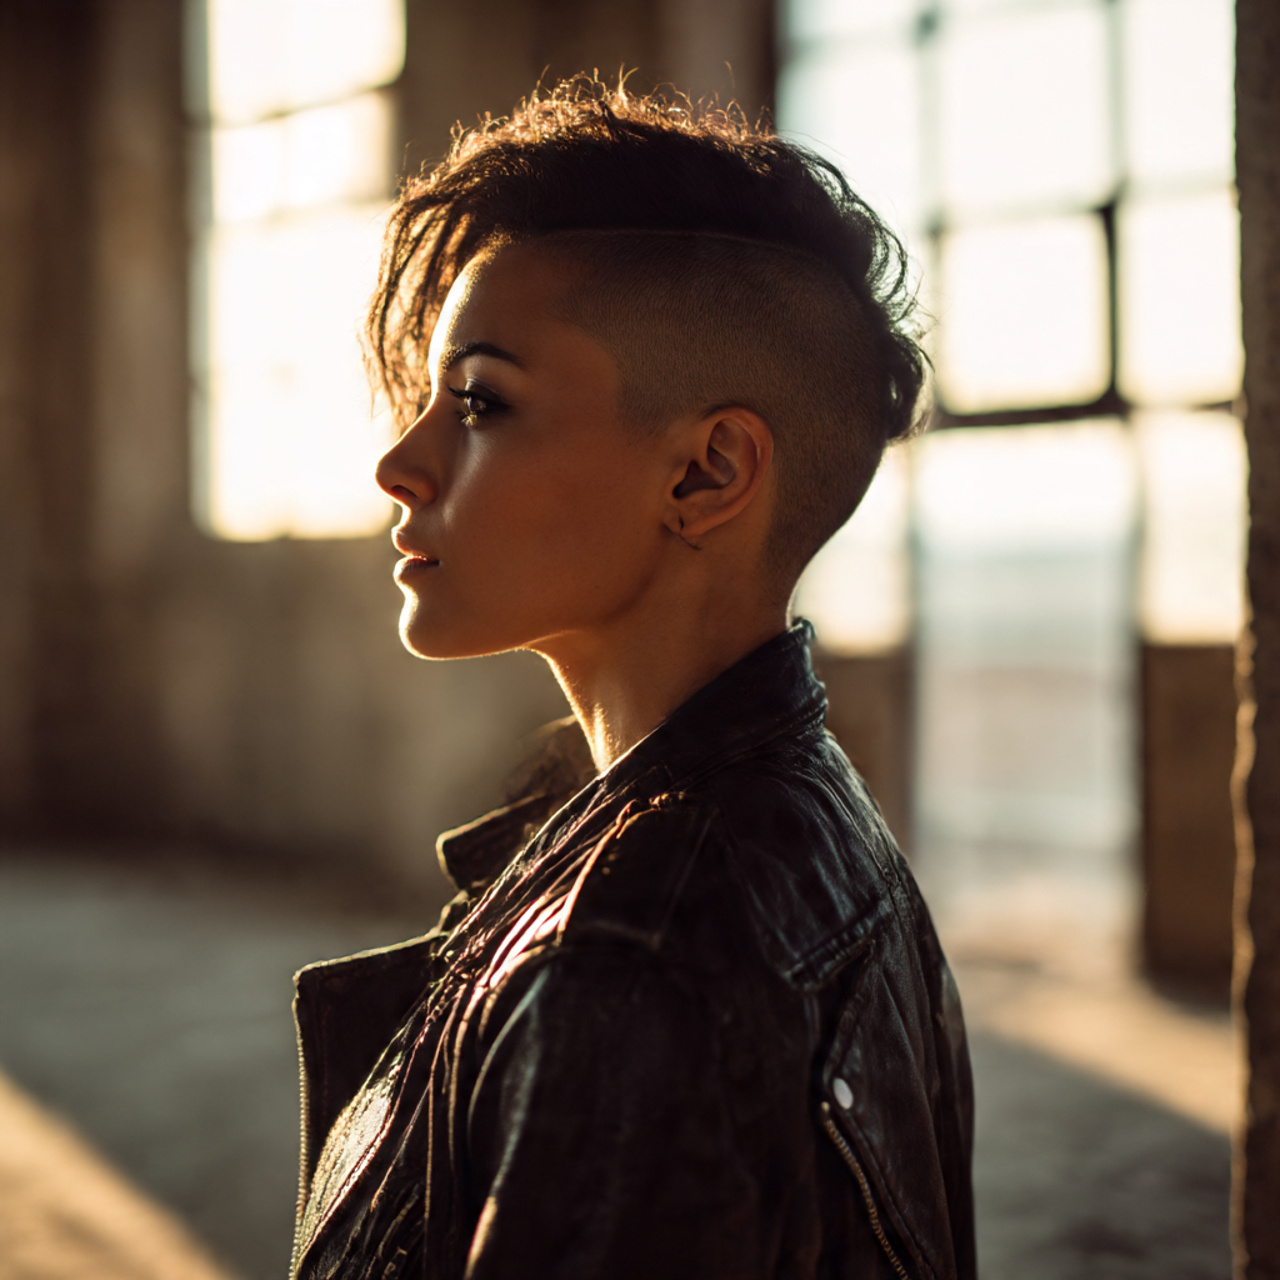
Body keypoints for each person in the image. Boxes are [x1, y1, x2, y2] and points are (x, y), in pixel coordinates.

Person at [288, 77, 975, 1280]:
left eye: (481, 401)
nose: (399, 462)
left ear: (706, 474)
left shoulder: (635, 959)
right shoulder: (814, 825)